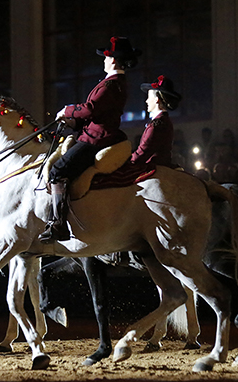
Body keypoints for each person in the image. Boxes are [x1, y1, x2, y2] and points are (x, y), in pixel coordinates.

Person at [40, 36, 141, 242]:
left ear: (112, 60)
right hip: (95, 132)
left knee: (58, 170)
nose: (103, 60)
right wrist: (73, 124)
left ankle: (58, 224)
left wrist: (67, 110)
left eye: (105, 57)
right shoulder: (115, 83)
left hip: (96, 140)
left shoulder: (111, 85)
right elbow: (99, 115)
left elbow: (90, 109)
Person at [130, 75, 182, 167]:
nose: (146, 101)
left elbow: (143, 152)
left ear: (156, 100)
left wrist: (127, 162)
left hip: (154, 167)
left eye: (149, 97)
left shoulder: (157, 125)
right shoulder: (163, 121)